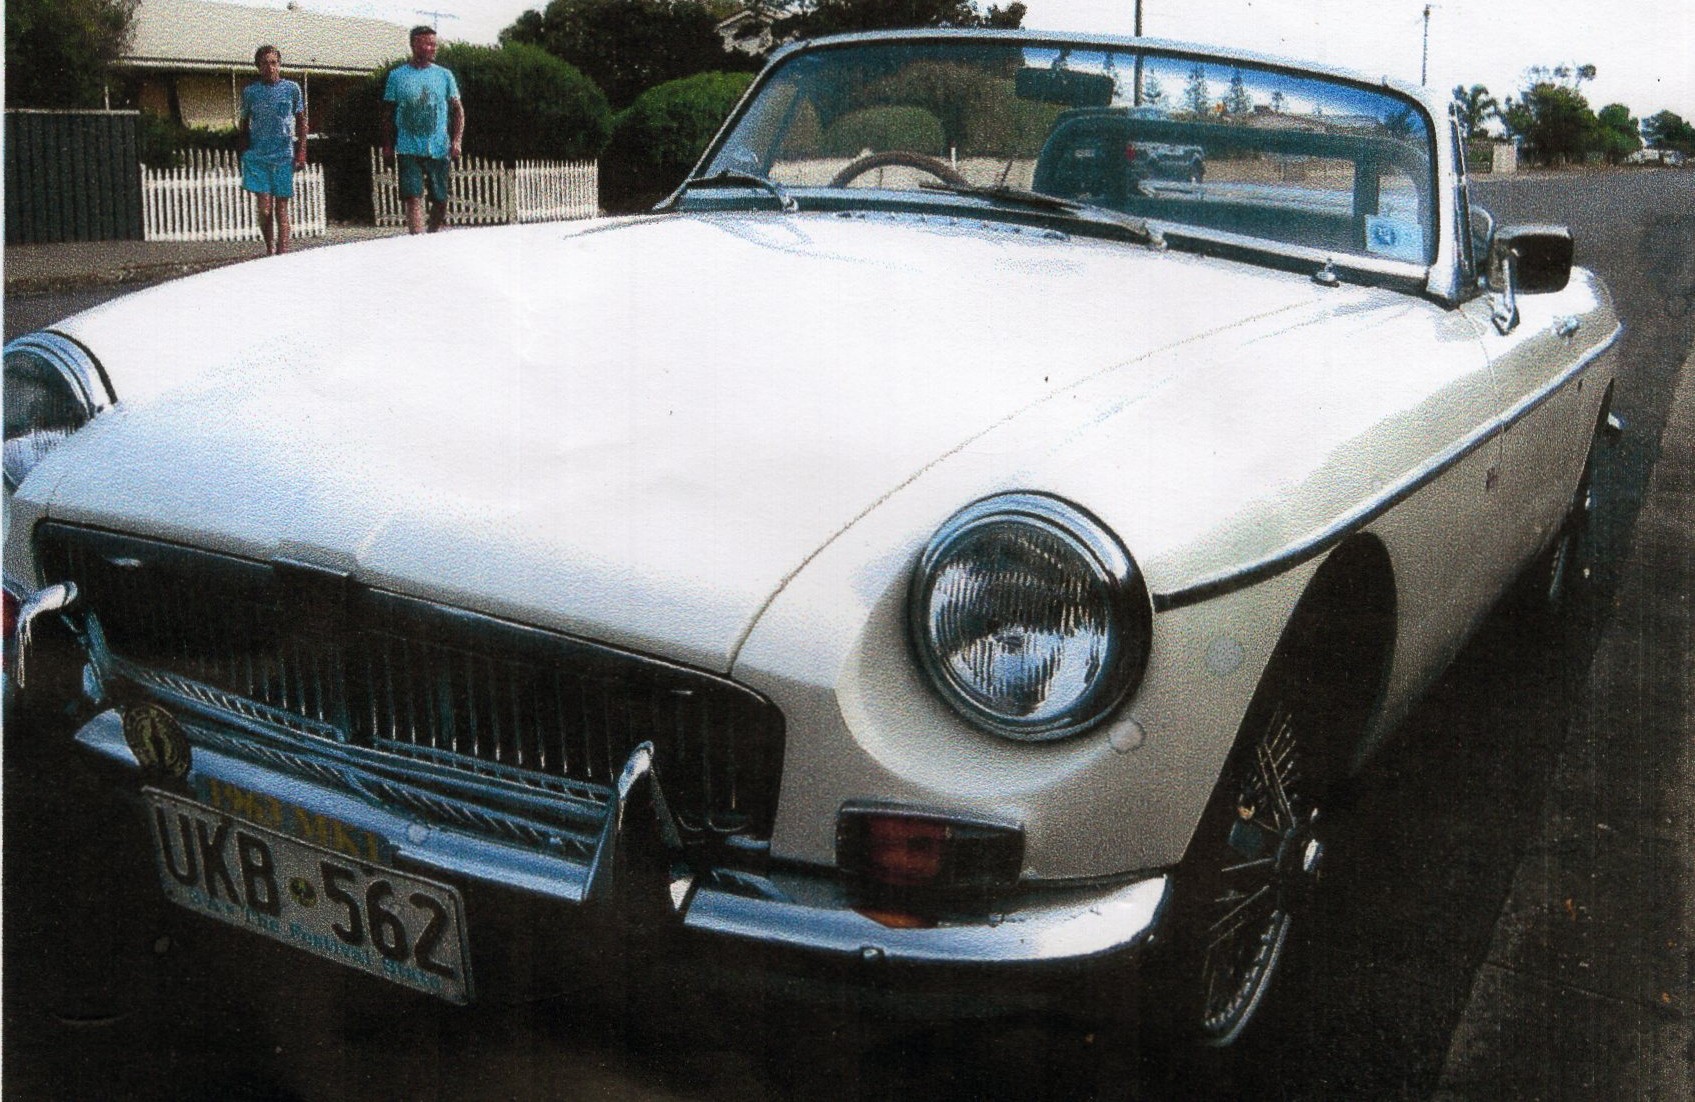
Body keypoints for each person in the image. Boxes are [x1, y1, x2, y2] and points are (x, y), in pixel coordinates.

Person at [382, 26, 464, 234]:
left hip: (438, 147)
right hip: (408, 147)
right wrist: (388, 146)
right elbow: (388, 115)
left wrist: (456, 141)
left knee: (440, 200)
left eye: (434, 44)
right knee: (413, 196)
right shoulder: (397, 76)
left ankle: (432, 235)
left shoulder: (445, 75)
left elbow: (458, 110)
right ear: (414, 45)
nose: (432, 48)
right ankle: (417, 243)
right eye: (427, 44)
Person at [239, 45, 307, 255]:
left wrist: (301, 152)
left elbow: (302, 122)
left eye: (273, 62)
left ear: (279, 64)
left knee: (281, 208)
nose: (270, 67)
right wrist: (243, 153)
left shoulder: (292, 89)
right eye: (265, 63)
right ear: (258, 67)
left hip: (283, 155)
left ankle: (282, 253)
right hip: (259, 157)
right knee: (264, 209)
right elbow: (243, 126)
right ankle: (270, 249)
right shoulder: (250, 92)